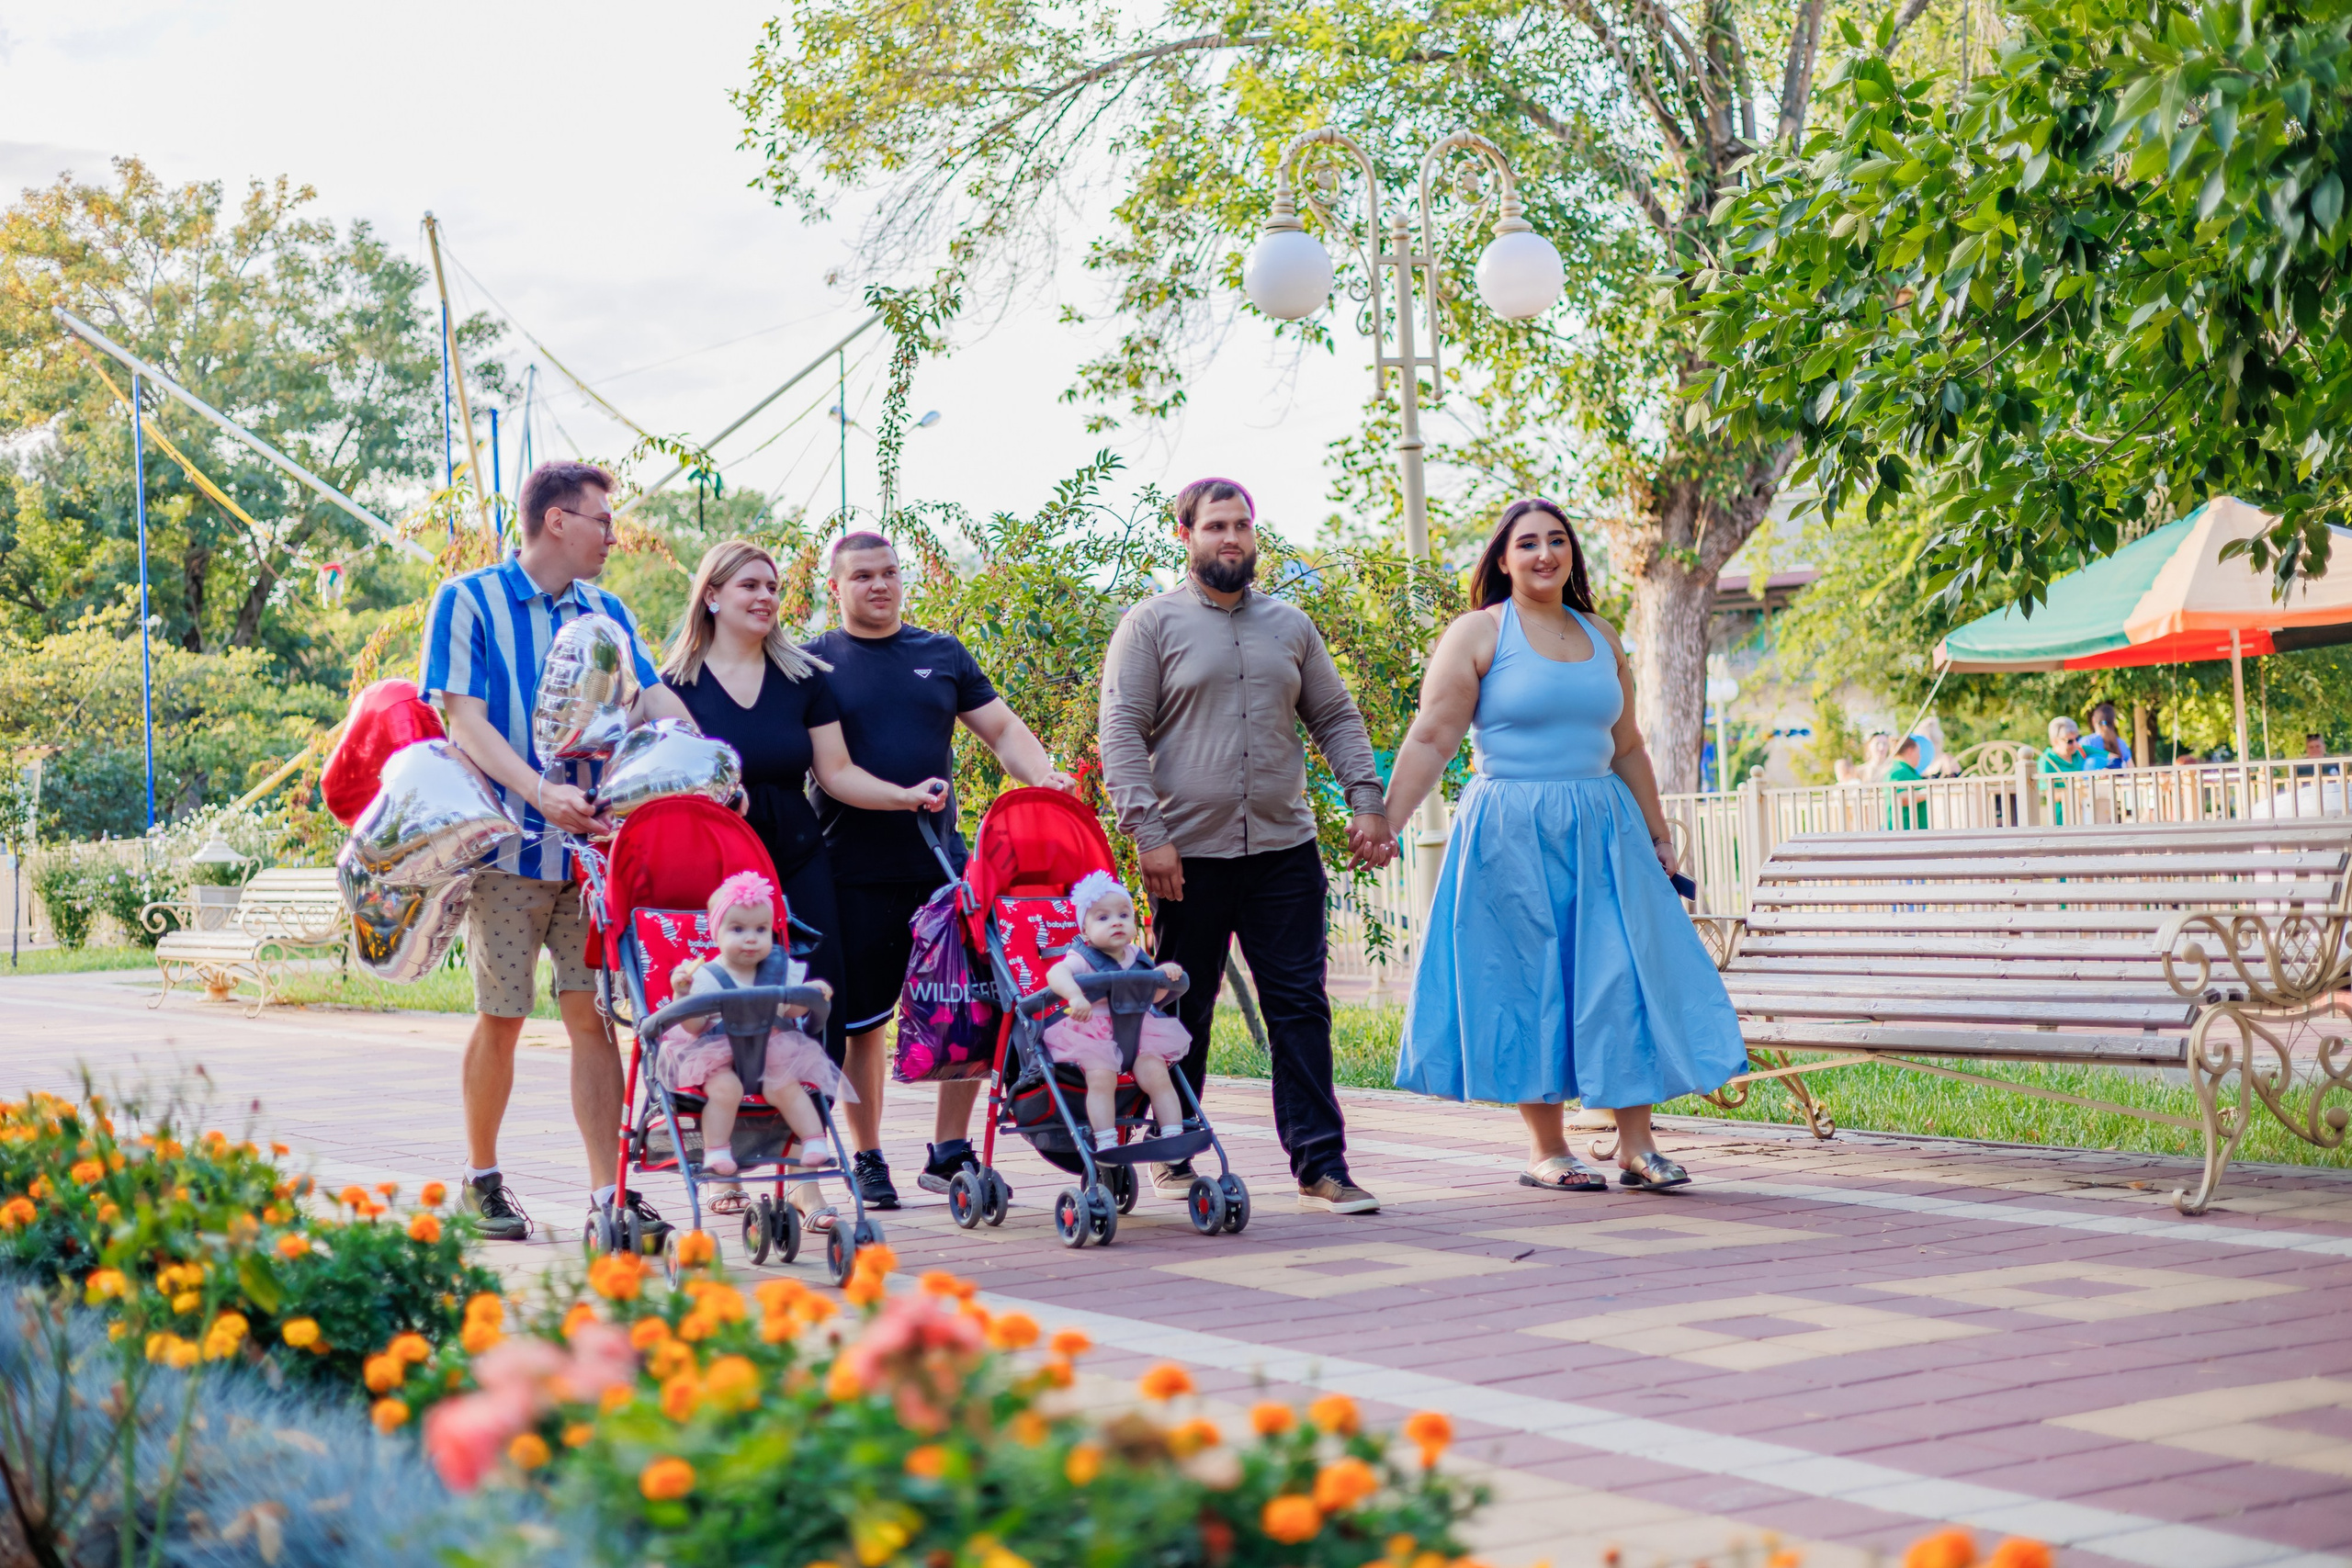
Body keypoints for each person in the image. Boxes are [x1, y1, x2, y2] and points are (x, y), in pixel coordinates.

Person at [1385, 498, 1747, 1193]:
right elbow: (1433, 735)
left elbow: (1629, 744)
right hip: (1510, 830)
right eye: (1528, 543)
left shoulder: (1601, 634)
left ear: (1573, 555)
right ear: (1502, 558)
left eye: (1557, 541)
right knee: (1531, 983)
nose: (1544, 553)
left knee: (1622, 979)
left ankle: (1637, 1144)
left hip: (1604, 827)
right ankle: (1548, 1147)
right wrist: (1386, 822)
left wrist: (1660, 834)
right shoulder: (1478, 633)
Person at [420, 460, 697, 1243]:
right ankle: (482, 1179)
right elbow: (462, 719)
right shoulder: (467, 598)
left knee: (593, 1020)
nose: (613, 535)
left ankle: (608, 1196)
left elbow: (648, 698)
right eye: (602, 520)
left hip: (594, 854)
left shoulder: (608, 610)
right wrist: (539, 794)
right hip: (509, 848)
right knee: (501, 1017)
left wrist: (700, 752)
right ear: (555, 521)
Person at [1098, 477, 1392, 1214]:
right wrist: (1150, 835)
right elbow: (1122, 733)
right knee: (1180, 1010)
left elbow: (1335, 717)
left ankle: (1321, 1163)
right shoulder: (1150, 625)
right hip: (1185, 857)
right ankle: (1172, 1147)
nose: (1231, 538)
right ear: (1186, 536)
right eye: (1216, 526)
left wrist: (1366, 799)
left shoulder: (1290, 625)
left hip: (1283, 853)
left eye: (1242, 525)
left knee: (1300, 1006)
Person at [807, 532, 1074, 1211]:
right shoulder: (814, 662)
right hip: (850, 867)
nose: (880, 585)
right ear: (834, 585)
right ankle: (868, 1156)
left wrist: (1043, 776)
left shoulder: (941, 652)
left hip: (939, 862)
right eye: (862, 575)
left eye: (890, 572)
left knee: (976, 1001)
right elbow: (831, 775)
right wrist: (899, 796)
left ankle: (949, 1148)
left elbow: (1004, 728)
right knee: (863, 1022)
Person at [659, 872, 847, 1180]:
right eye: (738, 929)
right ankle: (717, 1149)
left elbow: (791, 1009)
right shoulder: (705, 976)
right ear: (715, 932)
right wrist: (682, 994)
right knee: (725, 1088)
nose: (751, 938)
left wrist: (811, 991)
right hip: (718, 1056)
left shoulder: (777, 969)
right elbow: (693, 1026)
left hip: (769, 1051)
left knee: (784, 1084)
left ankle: (813, 1140)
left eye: (761, 929)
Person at [1040, 872, 1192, 1150]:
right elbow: (1056, 973)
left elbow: (1151, 997)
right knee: (1101, 1078)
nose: (1116, 923)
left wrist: (1162, 975)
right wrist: (1074, 995)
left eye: (1124, 915)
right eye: (1103, 918)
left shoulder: (1137, 957)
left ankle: (1172, 1135)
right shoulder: (1082, 957)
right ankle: (1106, 1140)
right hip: (1095, 1034)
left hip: (1139, 1032)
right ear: (1084, 931)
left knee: (1156, 1073)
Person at [1886, 735, 1928, 829]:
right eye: (1918, 752)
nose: (1920, 756)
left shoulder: (1906, 771)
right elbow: (1900, 796)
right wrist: (1926, 793)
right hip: (1905, 831)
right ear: (1910, 751)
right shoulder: (1899, 771)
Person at [2080, 702, 2132, 770]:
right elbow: (2131, 768)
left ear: (2093, 720)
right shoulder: (2121, 743)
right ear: (2114, 721)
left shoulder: (2086, 742)